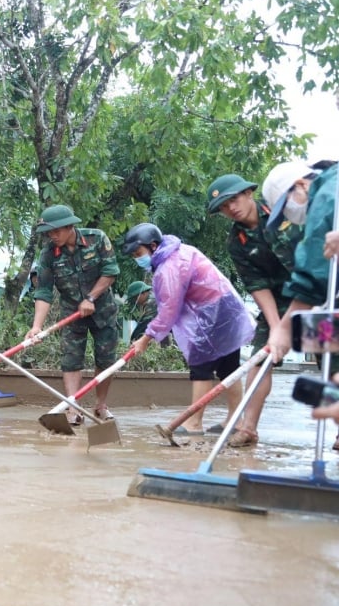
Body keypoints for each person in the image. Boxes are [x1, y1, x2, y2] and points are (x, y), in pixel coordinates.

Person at [204, 168, 308, 445]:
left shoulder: (284, 210)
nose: (231, 209)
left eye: (234, 200)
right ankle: (247, 428)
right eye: (224, 207)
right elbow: (257, 284)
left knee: (330, 356)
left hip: (314, 295)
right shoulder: (236, 243)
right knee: (260, 360)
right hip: (277, 301)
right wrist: (276, 327)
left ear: (249, 192)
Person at [124, 223, 254, 435]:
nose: (137, 259)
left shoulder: (169, 267)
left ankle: (194, 423)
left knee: (201, 367)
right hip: (225, 310)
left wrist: (146, 338)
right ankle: (235, 421)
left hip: (210, 316)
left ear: (153, 246)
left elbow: (168, 311)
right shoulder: (180, 251)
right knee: (229, 368)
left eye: (138, 253)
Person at [266, 159, 339, 450]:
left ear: (300, 185)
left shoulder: (326, 189)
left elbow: (314, 266)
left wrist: (285, 327)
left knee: (316, 338)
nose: (289, 216)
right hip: (328, 307)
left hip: (319, 301)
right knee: (318, 338)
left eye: (286, 208)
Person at [27, 204, 119, 424]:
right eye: (49, 232)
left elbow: (111, 272)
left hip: (102, 310)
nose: (53, 236)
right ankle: (72, 407)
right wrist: (36, 327)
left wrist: (91, 298)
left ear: (70, 226)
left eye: (56, 231)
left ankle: (100, 405)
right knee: (71, 359)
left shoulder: (97, 239)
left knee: (106, 359)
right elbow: (44, 291)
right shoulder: (48, 253)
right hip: (71, 313)